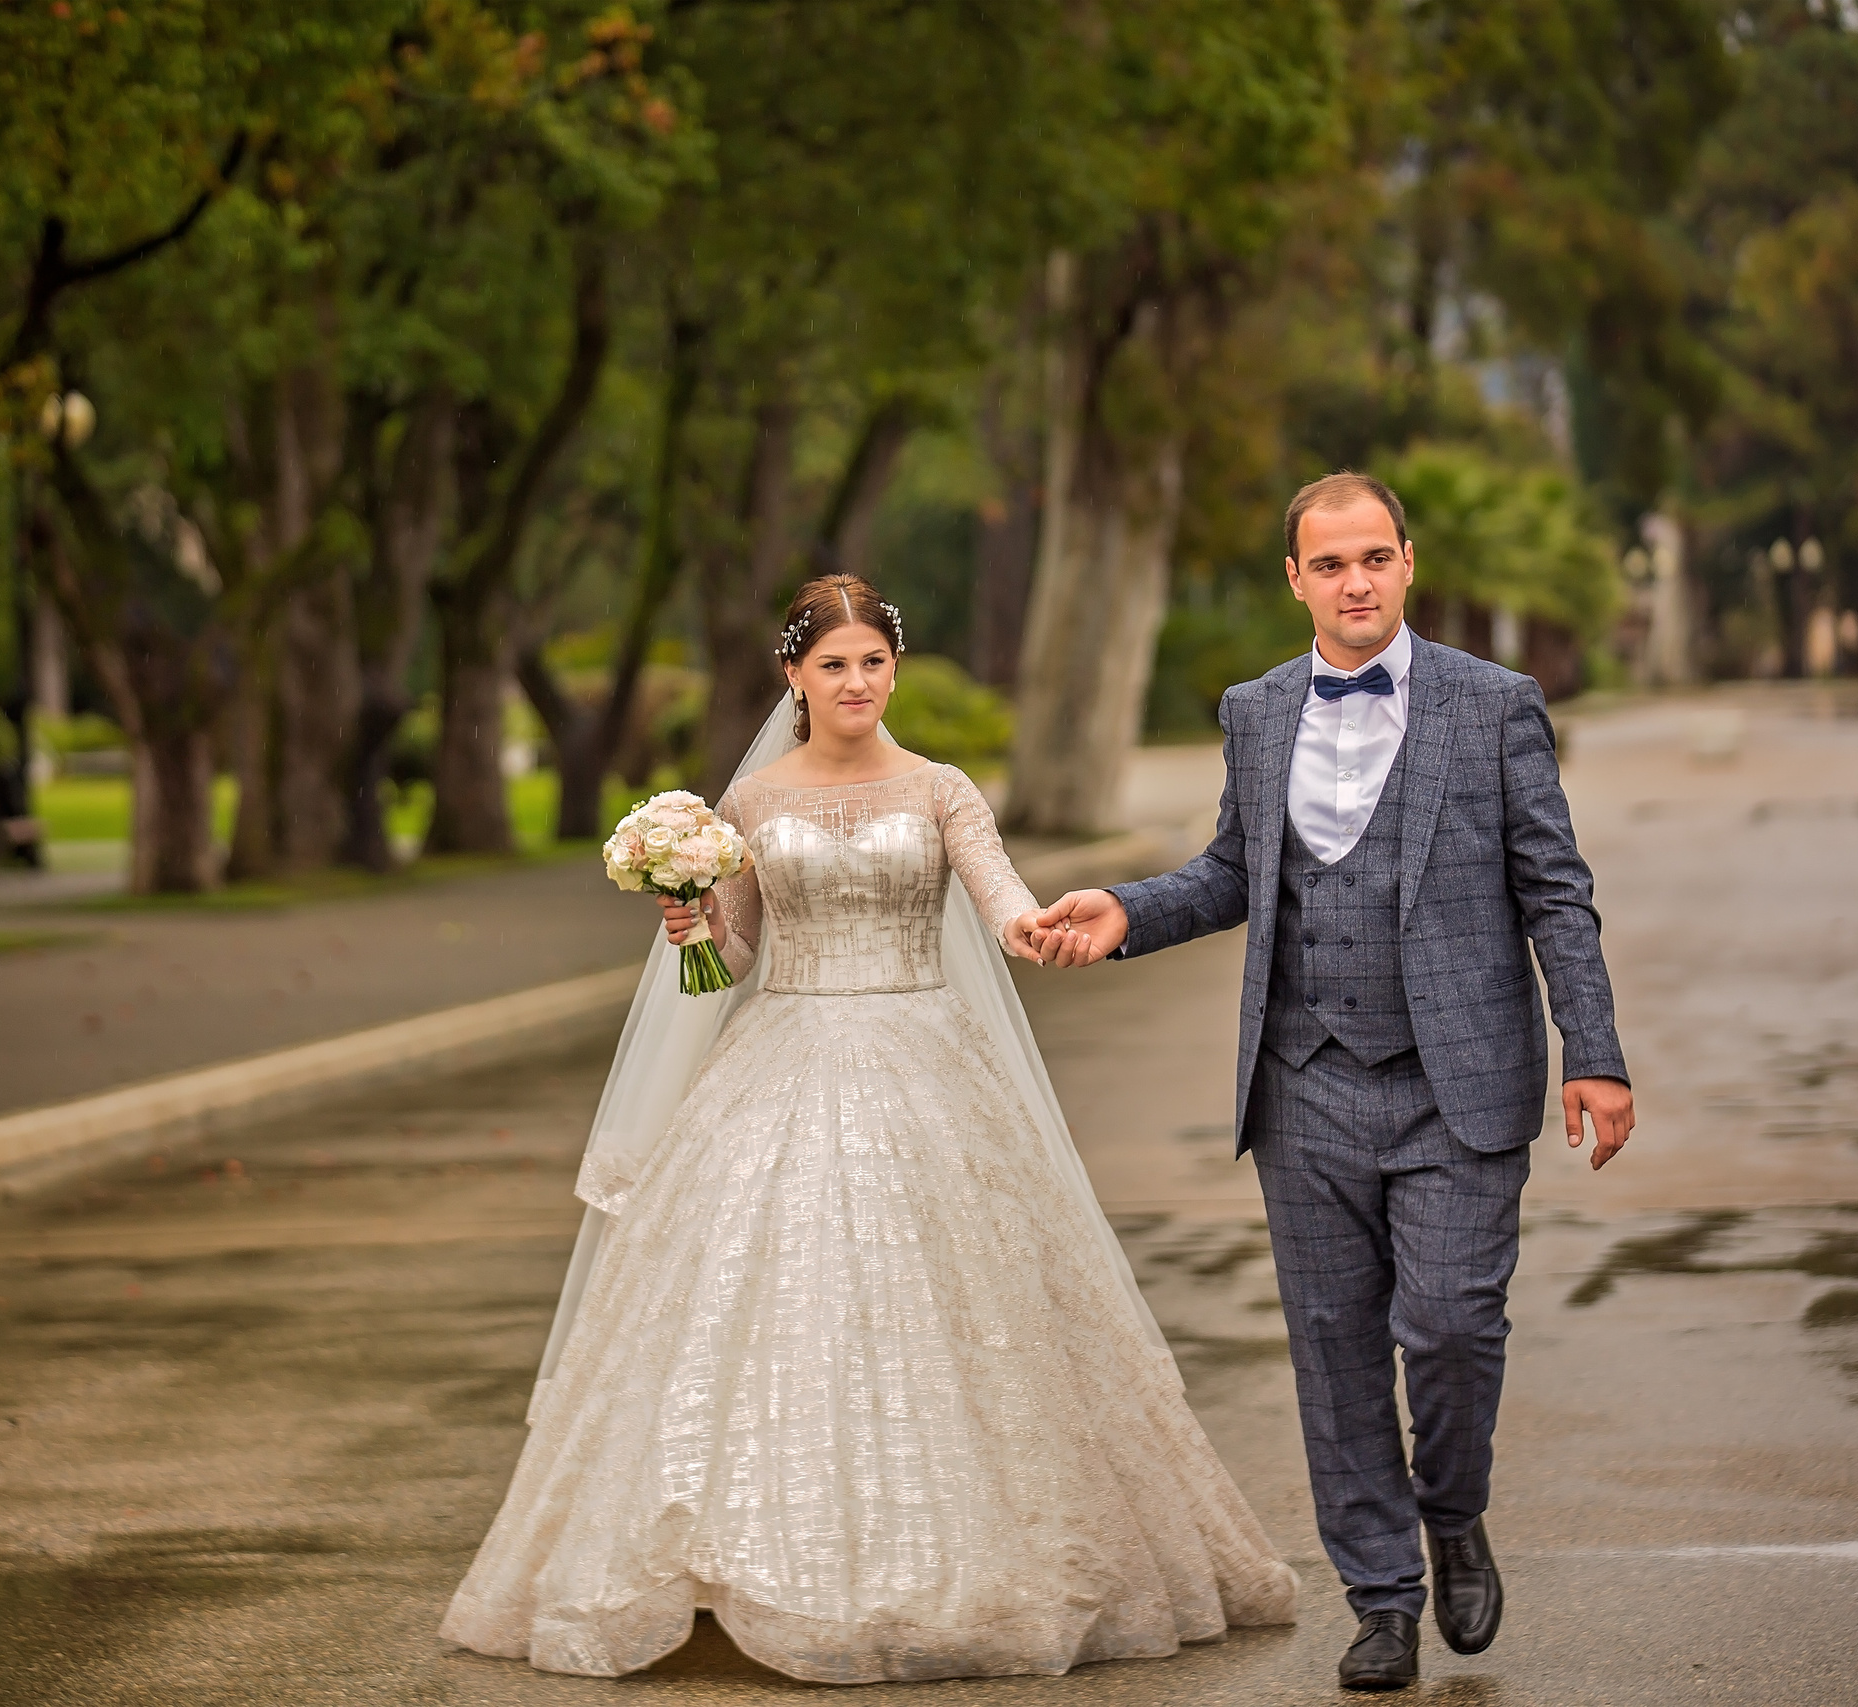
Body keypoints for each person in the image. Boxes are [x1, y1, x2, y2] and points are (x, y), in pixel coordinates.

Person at [441, 574, 1298, 1683]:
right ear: (794, 676)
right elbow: (735, 963)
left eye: (873, 662)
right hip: (781, 1053)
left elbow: (999, 903)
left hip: (924, 1056)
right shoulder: (747, 809)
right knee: (757, 1298)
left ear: (894, 670)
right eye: (834, 664)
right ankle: (724, 1567)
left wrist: (1047, 928)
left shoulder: (941, 790)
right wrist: (690, 920)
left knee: (967, 1308)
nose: (856, 682)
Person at [1024, 472, 1635, 1692]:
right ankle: (1381, 1599)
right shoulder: (1254, 712)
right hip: (1303, 1081)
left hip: (1458, 1080)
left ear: (1407, 562)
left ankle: (1451, 1509)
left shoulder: (1495, 703)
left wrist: (1597, 1054)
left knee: (1453, 1328)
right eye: (1329, 564)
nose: (1354, 582)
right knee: (1334, 1347)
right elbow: (1233, 872)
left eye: (1374, 558)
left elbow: (1554, 890)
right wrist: (1126, 912)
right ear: (1295, 579)